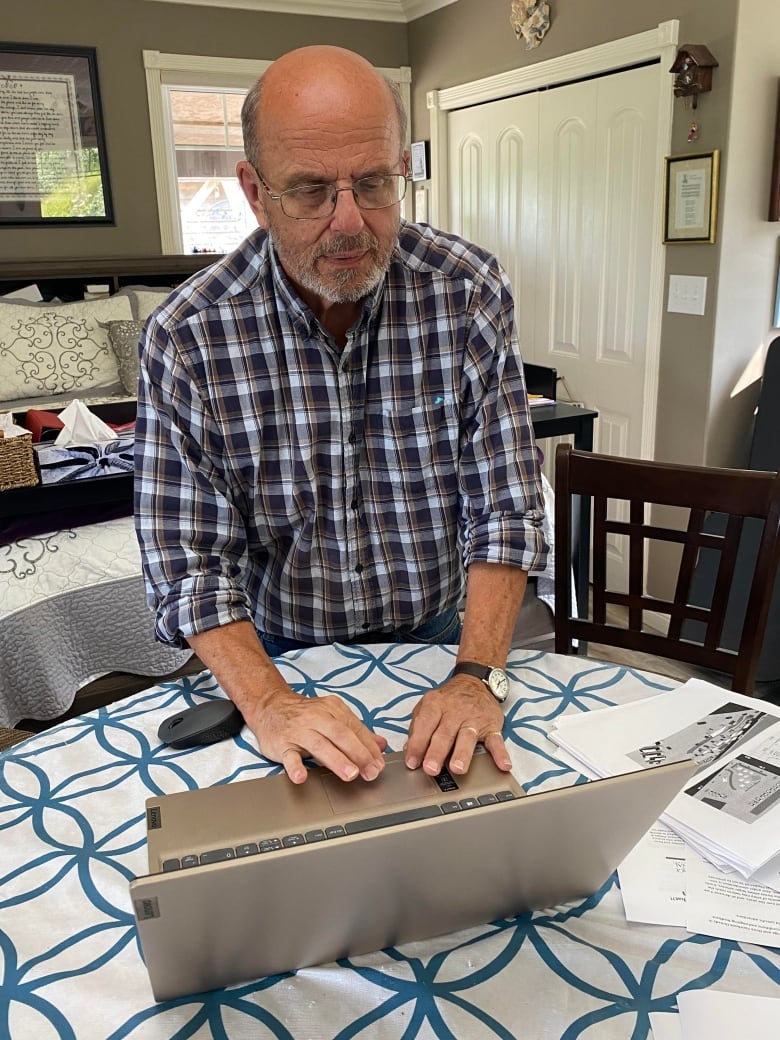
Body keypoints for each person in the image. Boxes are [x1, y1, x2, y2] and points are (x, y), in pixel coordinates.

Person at [134, 45, 548, 787]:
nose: (350, 221)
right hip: (276, 655)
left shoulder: (468, 292)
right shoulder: (187, 335)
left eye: (374, 183)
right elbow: (189, 563)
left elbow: (506, 508)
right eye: (311, 190)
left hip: (442, 640)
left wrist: (479, 673)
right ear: (255, 195)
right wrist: (268, 702)